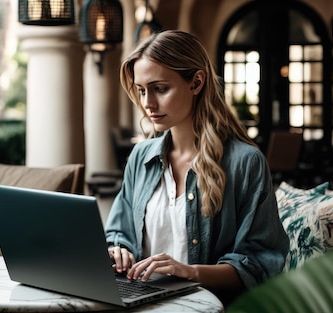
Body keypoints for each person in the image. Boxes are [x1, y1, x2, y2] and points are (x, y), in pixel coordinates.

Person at [105, 30, 289, 304]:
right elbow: (119, 232)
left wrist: (188, 272)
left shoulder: (245, 162)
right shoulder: (140, 157)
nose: (148, 103)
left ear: (196, 83)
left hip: (207, 306)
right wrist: (118, 248)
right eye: (142, 90)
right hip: (139, 302)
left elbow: (258, 264)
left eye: (160, 89)